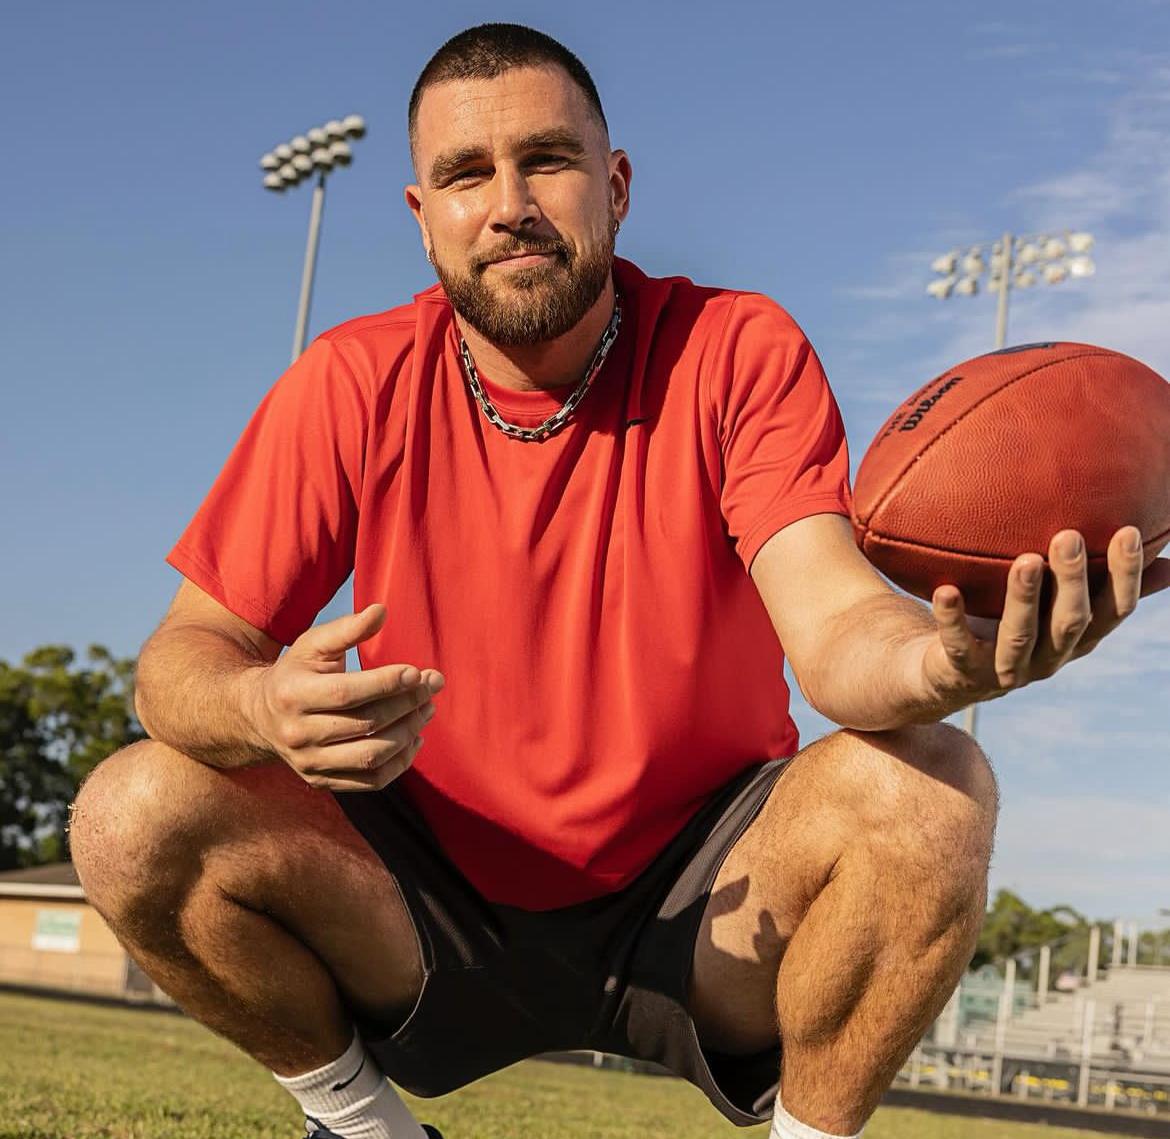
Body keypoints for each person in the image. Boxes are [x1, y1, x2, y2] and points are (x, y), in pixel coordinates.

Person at [68, 22, 1167, 1139]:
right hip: (423, 902)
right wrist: (260, 706)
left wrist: (944, 657)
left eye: (547, 159)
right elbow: (179, 663)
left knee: (936, 788)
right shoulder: (350, 381)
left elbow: (835, 623)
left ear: (617, 185)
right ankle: (364, 1129)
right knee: (130, 811)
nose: (508, 204)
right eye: (464, 173)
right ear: (422, 214)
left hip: (698, 901)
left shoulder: (733, 348)